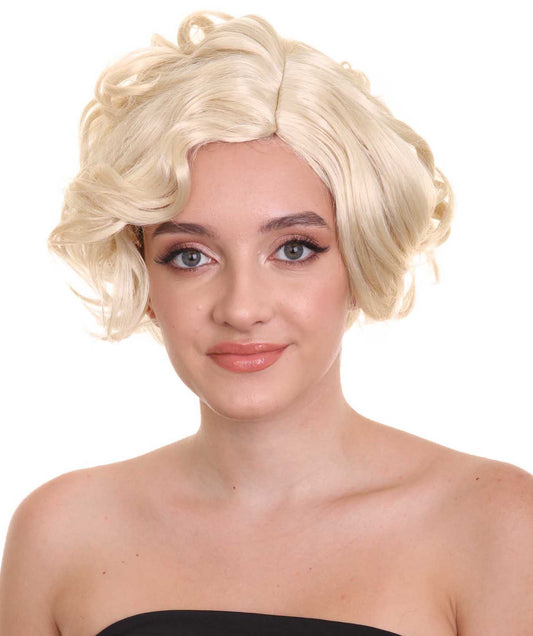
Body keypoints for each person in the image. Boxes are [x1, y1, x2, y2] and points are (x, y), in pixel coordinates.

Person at [0, 9, 531, 636]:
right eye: (190, 256)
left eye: (294, 249)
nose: (241, 307)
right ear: (145, 282)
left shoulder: (493, 524)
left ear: (361, 261)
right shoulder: (59, 533)